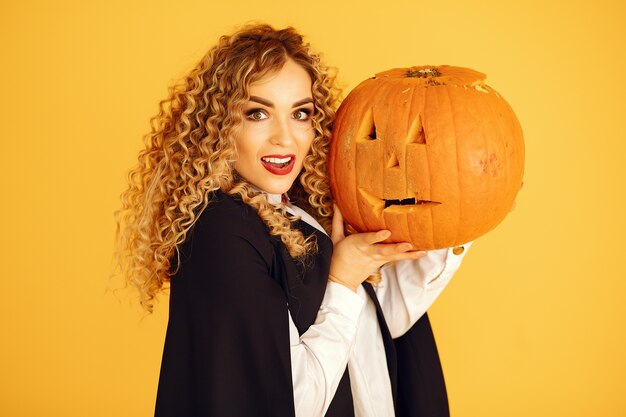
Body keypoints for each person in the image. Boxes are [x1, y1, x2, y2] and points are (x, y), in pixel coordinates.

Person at [115, 24, 470, 417]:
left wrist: (461, 206)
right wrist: (343, 279)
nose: (285, 138)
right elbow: (290, 401)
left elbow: (377, 325)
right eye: (257, 113)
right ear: (217, 126)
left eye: (300, 113)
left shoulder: (301, 211)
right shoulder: (223, 234)